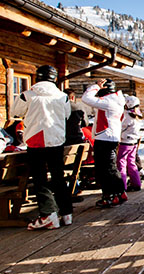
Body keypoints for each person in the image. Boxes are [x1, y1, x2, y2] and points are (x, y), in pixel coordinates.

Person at [11, 65, 73, 230]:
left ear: (37, 77)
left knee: (40, 179)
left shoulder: (28, 95)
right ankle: (66, 213)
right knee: (58, 177)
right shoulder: (63, 97)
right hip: (57, 140)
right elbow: (67, 115)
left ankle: (48, 214)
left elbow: (15, 112)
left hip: (36, 139)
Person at [82, 78, 127, 207]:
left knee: (104, 170)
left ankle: (110, 196)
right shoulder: (117, 100)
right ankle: (120, 192)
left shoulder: (108, 101)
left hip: (104, 137)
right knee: (111, 168)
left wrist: (96, 86)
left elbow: (86, 98)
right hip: (111, 136)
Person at [118, 95, 143, 192]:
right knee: (131, 163)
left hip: (125, 142)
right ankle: (136, 183)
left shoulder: (127, 116)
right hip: (133, 142)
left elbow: (120, 128)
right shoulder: (137, 115)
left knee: (121, 163)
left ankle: (122, 186)